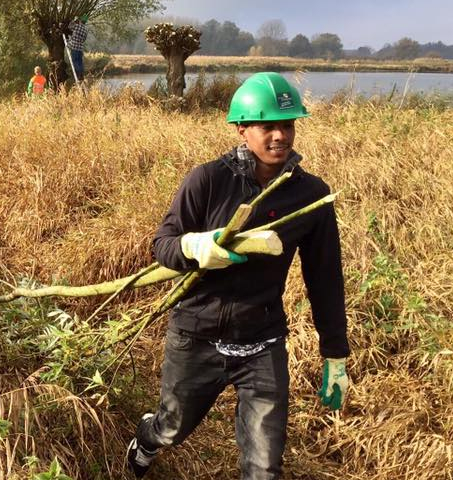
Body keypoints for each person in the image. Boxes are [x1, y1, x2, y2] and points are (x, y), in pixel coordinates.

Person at [125, 72, 351, 479]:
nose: (280, 135)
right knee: (172, 429)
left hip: (262, 342)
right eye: (268, 126)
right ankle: (147, 438)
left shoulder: (311, 195)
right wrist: (195, 249)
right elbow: (163, 245)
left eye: (288, 124)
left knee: (264, 468)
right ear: (242, 129)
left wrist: (335, 353)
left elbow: (326, 278)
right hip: (196, 336)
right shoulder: (208, 180)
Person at [67, 15, 88, 80]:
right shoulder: (85, 30)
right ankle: (81, 74)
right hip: (80, 48)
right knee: (80, 62)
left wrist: (73, 21)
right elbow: (84, 39)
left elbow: (69, 27)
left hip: (74, 47)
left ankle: (79, 74)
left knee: (75, 61)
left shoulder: (77, 26)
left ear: (80, 21)